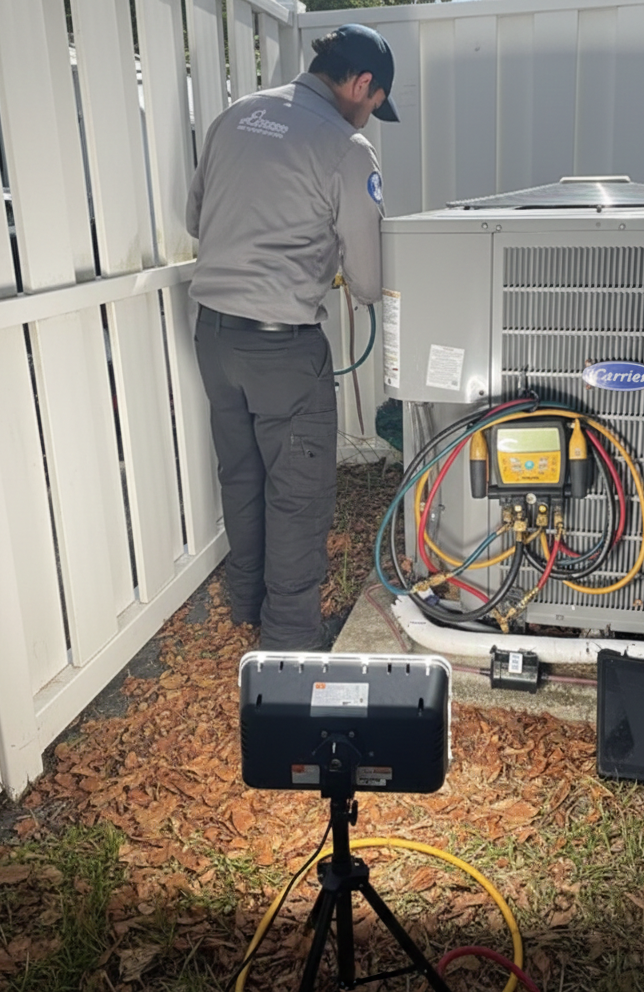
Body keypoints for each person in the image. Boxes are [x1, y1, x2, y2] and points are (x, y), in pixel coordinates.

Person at [186, 24, 399, 651]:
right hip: (282, 347)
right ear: (361, 84)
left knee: (241, 474)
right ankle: (291, 640)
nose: (370, 116)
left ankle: (245, 604)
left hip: (215, 339)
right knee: (298, 494)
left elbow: (196, 218)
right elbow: (367, 279)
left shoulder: (237, 115)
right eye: (374, 102)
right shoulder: (346, 148)